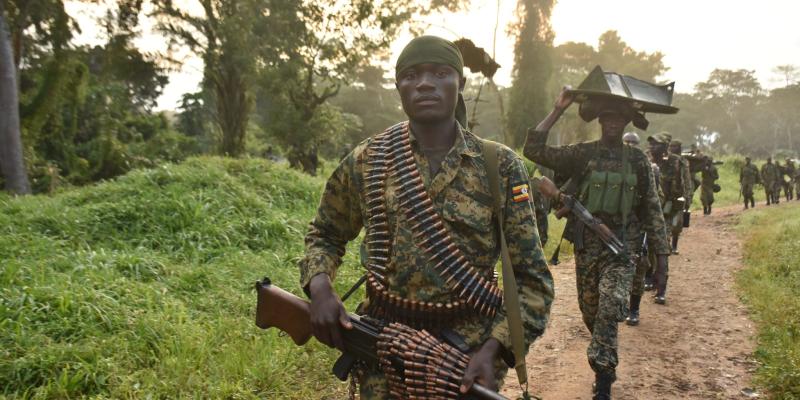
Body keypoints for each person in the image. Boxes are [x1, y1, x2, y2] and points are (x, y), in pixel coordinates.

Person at [298, 35, 554, 399]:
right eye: (411, 75)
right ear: (399, 86)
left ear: (461, 83)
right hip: (382, 346)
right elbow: (325, 232)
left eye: (440, 73)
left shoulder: (498, 165)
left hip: (464, 357)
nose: (424, 83)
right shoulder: (369, 159)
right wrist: (320, 287)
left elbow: (533, 281)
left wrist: (493, 349)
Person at [524, 89, 670, 400]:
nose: (613, 123)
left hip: (623, 249)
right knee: (590, 312)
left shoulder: (639, 161)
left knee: (608, 307)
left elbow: (653, 211)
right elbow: (534, 149)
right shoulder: (584, 154)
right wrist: (558, 109)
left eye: (619, 118)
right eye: (608, 118)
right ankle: (605, 358)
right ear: (601, 121)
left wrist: (662, 264)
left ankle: (603, 381)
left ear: (626, 120)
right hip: (587, 248)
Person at [668, 139, 692, 254]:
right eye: (671, 146)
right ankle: (666, 245)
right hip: (666, 195)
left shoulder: (684, 162)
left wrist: (688, 197)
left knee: (677, 223)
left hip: (679, 195)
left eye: (675, 146)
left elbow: (687, 180)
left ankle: (674, 246)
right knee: (665, 221)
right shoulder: (666, 159)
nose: (672, 148)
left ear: (679, 148)